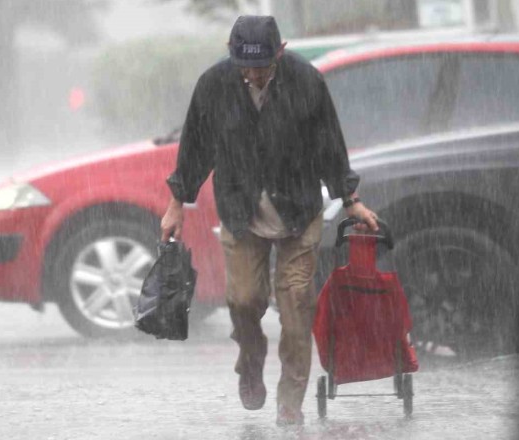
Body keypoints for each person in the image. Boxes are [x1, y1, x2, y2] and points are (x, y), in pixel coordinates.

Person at [161, 15, 378, 426]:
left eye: (263, 67)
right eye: (246, 67)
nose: (255, 75)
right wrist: (177, 203)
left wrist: (350, 199)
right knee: (243, 301)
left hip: (298, 209)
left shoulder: (306, 82)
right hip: (241, 212)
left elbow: (330, 145)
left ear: (280, 52)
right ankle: (251, 360)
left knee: (296, 302)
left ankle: (290, 402)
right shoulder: (214, 86)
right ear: (233, 56)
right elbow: (194, 149)